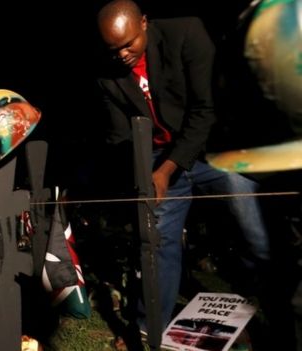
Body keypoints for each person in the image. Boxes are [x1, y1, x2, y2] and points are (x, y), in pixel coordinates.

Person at [94, 0, 271, 332]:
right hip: (161, 160)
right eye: (113, 49)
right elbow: (120, 137)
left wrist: (166, 169)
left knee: (255, 232)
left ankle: (281, 309)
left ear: (144, 23)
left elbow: (206, 108)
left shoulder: (187, 33)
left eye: (128, 43)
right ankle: (152, 325)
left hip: (213, 151)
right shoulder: (108, 76)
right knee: (158, 240)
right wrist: (143, 177)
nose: (122, 55)